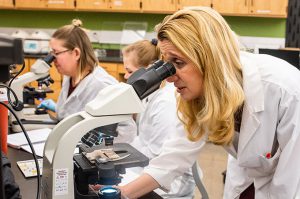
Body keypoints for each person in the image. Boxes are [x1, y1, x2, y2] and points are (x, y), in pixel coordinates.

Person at [118, 7, 300, 199]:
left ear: (210, 59)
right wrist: (122, 193)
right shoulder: (199, 91)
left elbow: (289, 185)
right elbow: (174, 157)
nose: (169, 79)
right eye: (167, 65)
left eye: (178, 63)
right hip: (247, 178)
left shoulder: (286, 92)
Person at [121, 39, 198, 198]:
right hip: (158, 168)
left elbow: (161, 156)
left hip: (174, 183)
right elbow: (144, 142)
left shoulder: (166, 101)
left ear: (148, 71)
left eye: (129, 71)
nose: (126, 76)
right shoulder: (151, 96)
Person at [38, 19, 136, 143]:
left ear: (76, 53)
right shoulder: (70, 75)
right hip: (68, 142)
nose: (52, 59)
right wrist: (58, 109)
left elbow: (126, 131)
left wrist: (97, 153)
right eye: (51, 53)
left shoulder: (103, 85)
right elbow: (66, 114)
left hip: (92, 155)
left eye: (56, 53)